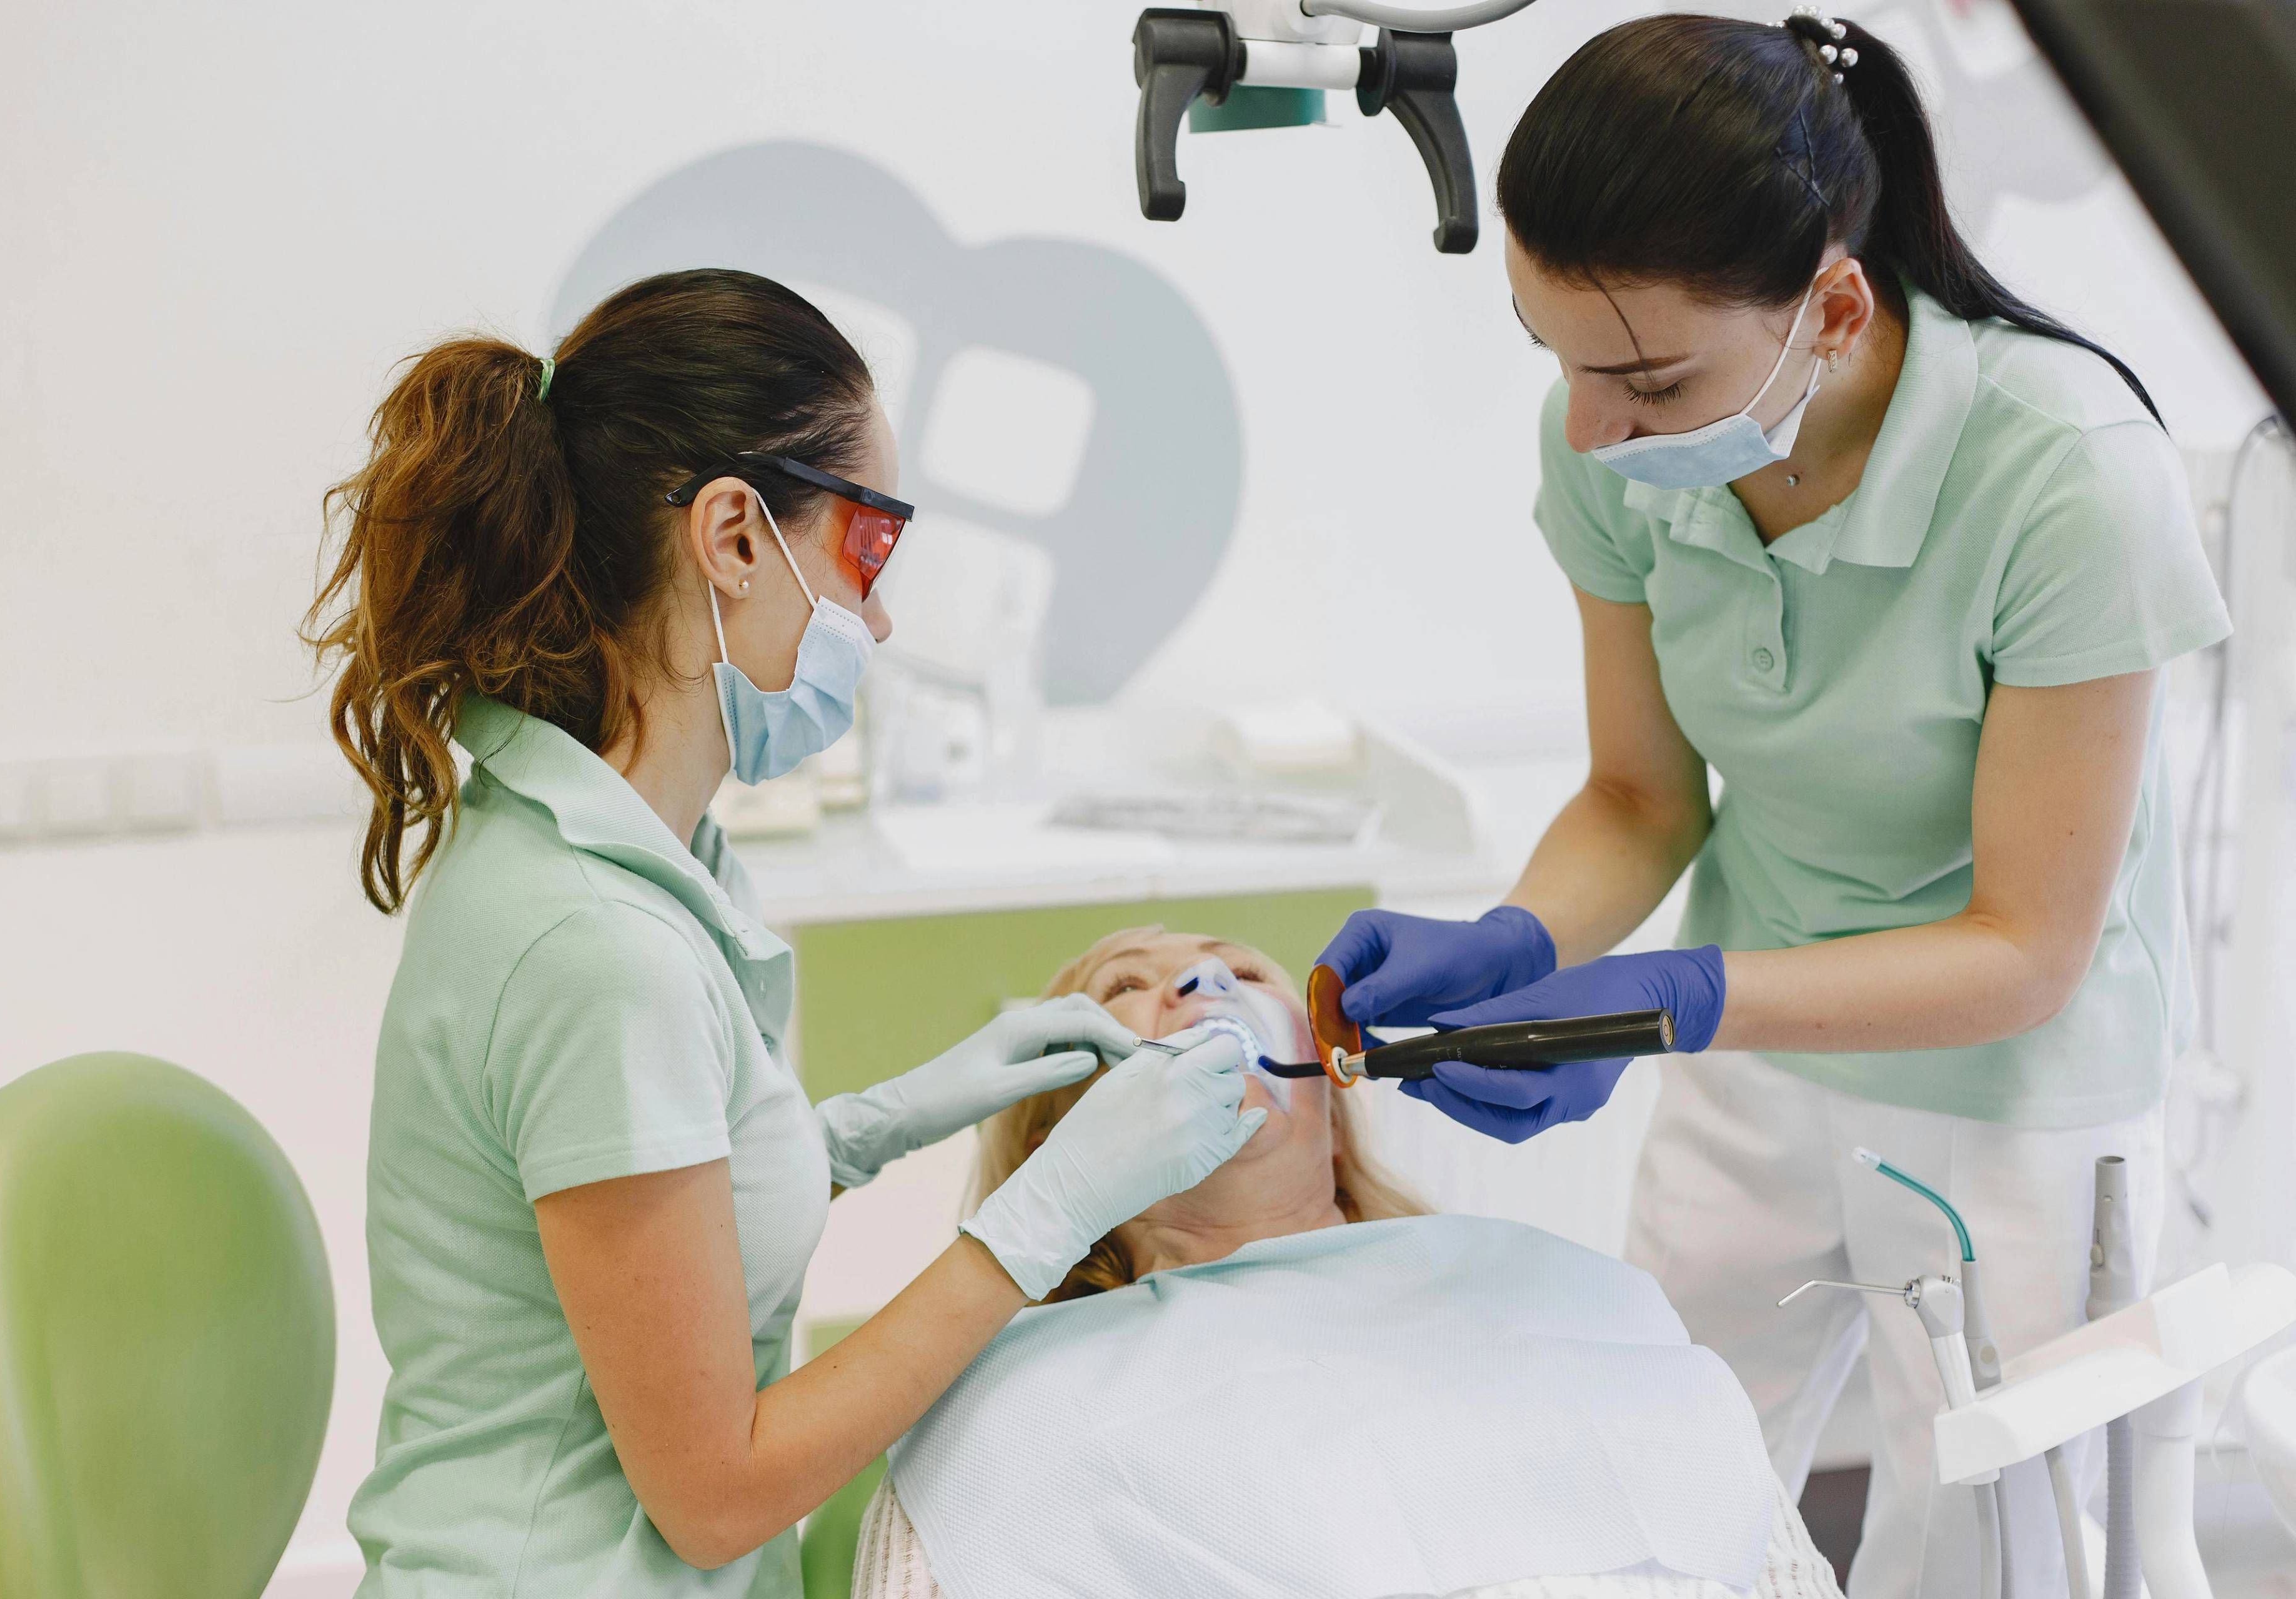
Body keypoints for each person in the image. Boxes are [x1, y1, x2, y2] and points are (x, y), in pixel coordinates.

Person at [1318, 14, 2230, 1597]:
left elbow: (2024, 947)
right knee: (1655, 1477)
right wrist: (1521, 942)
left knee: (2004, 1551)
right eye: (1558, 359)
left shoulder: (2067, 471)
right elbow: (1637, 794)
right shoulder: (1613, 447)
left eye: (1648, 376)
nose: (1593, 429)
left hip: (2016, 1081)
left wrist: (1669, 995)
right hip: (1756, 1049)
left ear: (1834, 304)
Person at [304, 269, 1264, 1598]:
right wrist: (1045, 1213)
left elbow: (656, 1243)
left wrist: (877, 1124)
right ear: (735, 539)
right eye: (869, 556)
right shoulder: (593, 942)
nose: (878, 621)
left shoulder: (629, 852)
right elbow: (716, 1492)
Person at [848, 927, 1846, 1598]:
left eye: (1244, 971)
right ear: (1053, 1141)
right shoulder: (1005, 1403)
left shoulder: (1552, 1294)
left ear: (1335, 1105)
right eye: (1127, 992)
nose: (1202, 986)